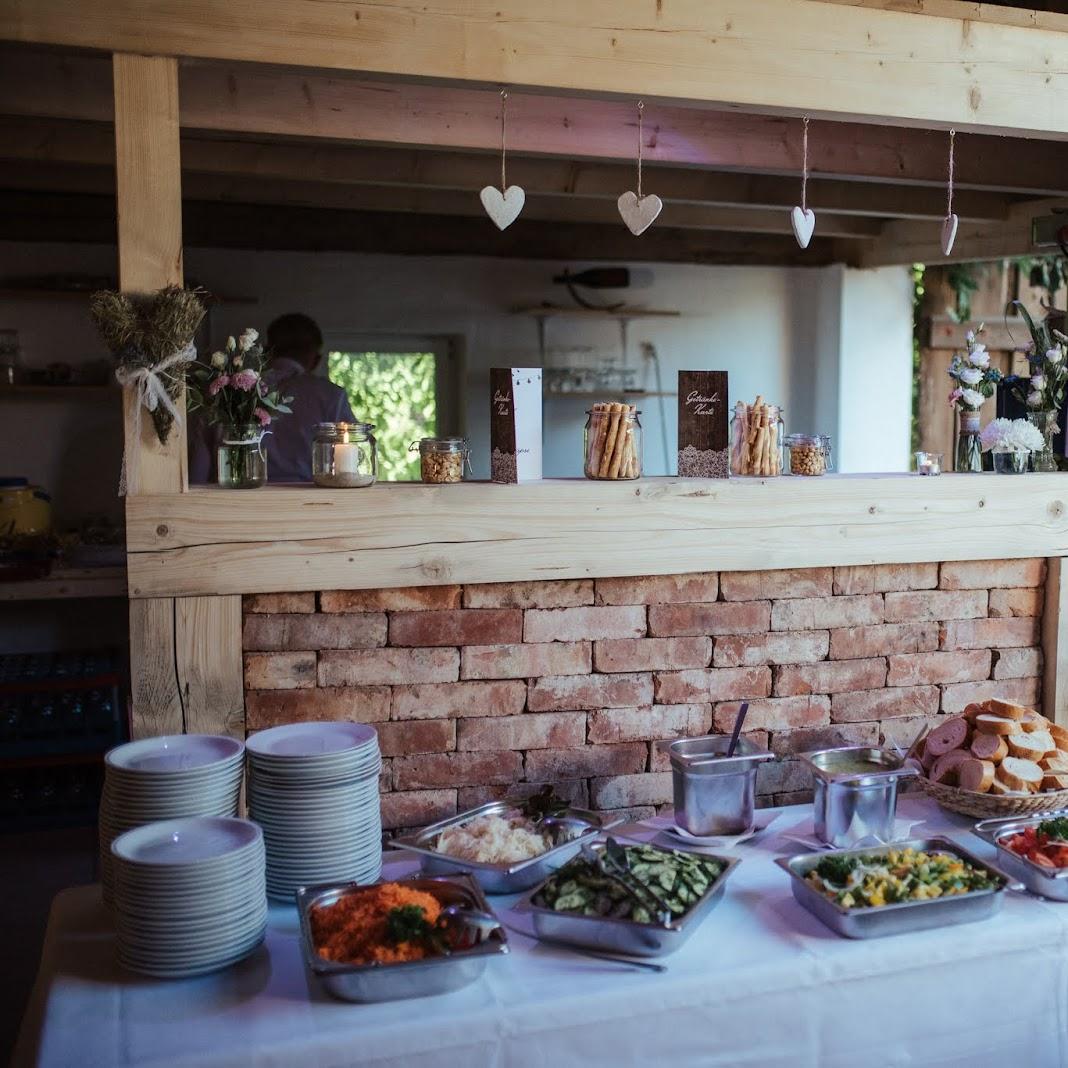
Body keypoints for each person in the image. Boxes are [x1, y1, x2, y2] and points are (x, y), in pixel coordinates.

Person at [189, 313, 357, 483]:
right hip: (310, 502)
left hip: (239, 500)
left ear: (267, 351)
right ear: (316, 359)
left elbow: (199, 468)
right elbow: (351, 463)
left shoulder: (229, 392)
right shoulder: (332, 397)